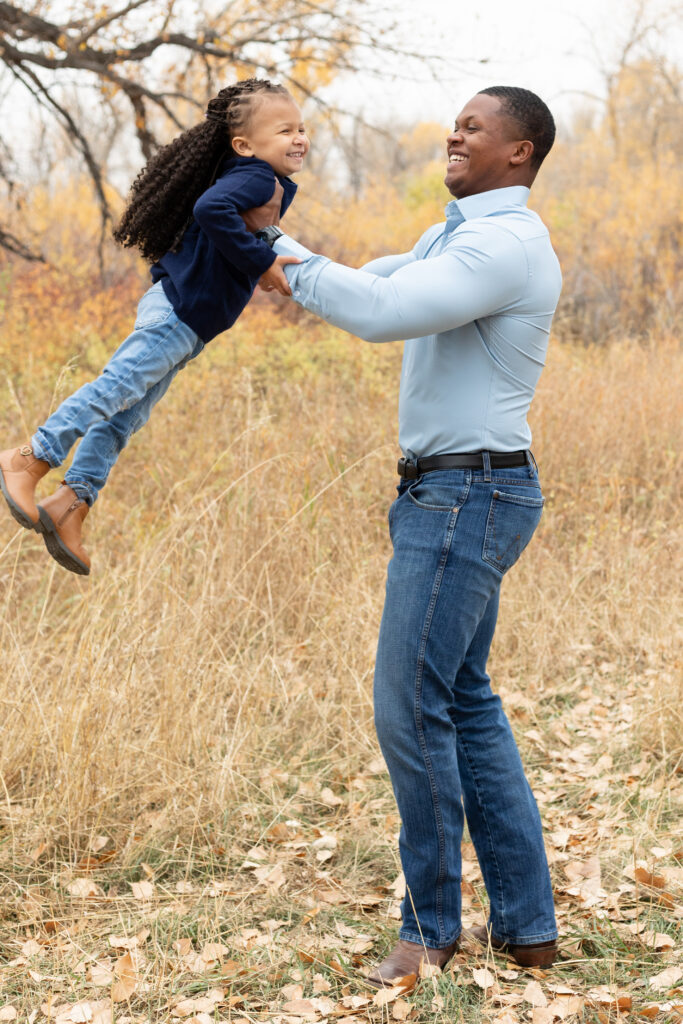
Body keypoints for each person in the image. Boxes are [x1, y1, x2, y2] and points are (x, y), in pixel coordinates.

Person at [248, 86, 562, 983]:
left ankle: (429, 929)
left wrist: (281, 251)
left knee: (409, 707)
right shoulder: (456, 237)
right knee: (461, 701)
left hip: (467, 496)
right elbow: (366, 285)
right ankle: (526, 926)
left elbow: (381, 312)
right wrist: (274, 246)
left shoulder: (503, 242)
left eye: (474, 125)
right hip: (457, 492)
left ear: (520, 152)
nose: (453, 133)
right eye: (453, 122)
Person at [0, 77, 308, 576]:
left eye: (301, 128)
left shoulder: (257, 178)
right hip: (179, 312)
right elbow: (211, 210)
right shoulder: (256, 177)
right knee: (116, 389)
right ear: (245, 144)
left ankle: (71, 502)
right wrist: (259, 262)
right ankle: (30, 456)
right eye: (284, 130)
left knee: (125, 414)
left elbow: (228, 221)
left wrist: (262, 256)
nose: (299, 138)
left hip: (187, 320)